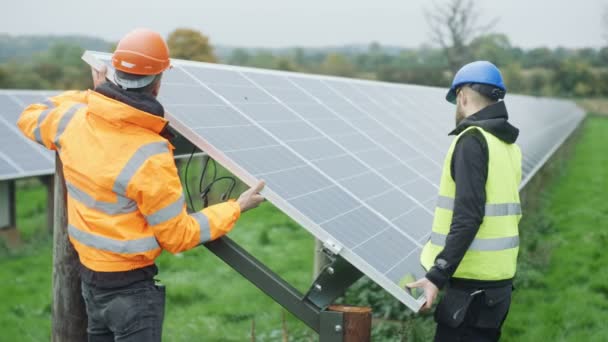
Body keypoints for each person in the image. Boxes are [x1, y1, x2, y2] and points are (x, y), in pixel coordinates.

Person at [17, 28, 265, 341]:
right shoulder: (151, 155)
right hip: (131, 292)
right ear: (158, 84)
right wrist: (236, 207)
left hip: (91, 285)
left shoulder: (72, 122)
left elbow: (31, 115)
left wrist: (95, 97)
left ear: (113, 74)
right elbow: (178, 236)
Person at [407, 61, 522, 341]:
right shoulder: (508, 145)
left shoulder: (472, 140)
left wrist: (436, 276)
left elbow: (468, 216)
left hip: (471, 290)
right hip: (498, 285)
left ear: (463, 96)